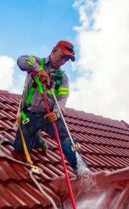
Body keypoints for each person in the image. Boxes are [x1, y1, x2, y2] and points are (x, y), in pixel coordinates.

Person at [13, 40, 90, 176]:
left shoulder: (62, 77)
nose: (63, 61)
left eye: (66, 59)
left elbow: (62, 99)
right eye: (62, 56)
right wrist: (39, 70)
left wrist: (56, 113)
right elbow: (21, 60)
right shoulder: (37, 62)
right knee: (19, 148)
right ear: (54, 50)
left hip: (48, 116)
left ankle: (81, 168)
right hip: (29, 115)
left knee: (67, 138)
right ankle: (37, 139)